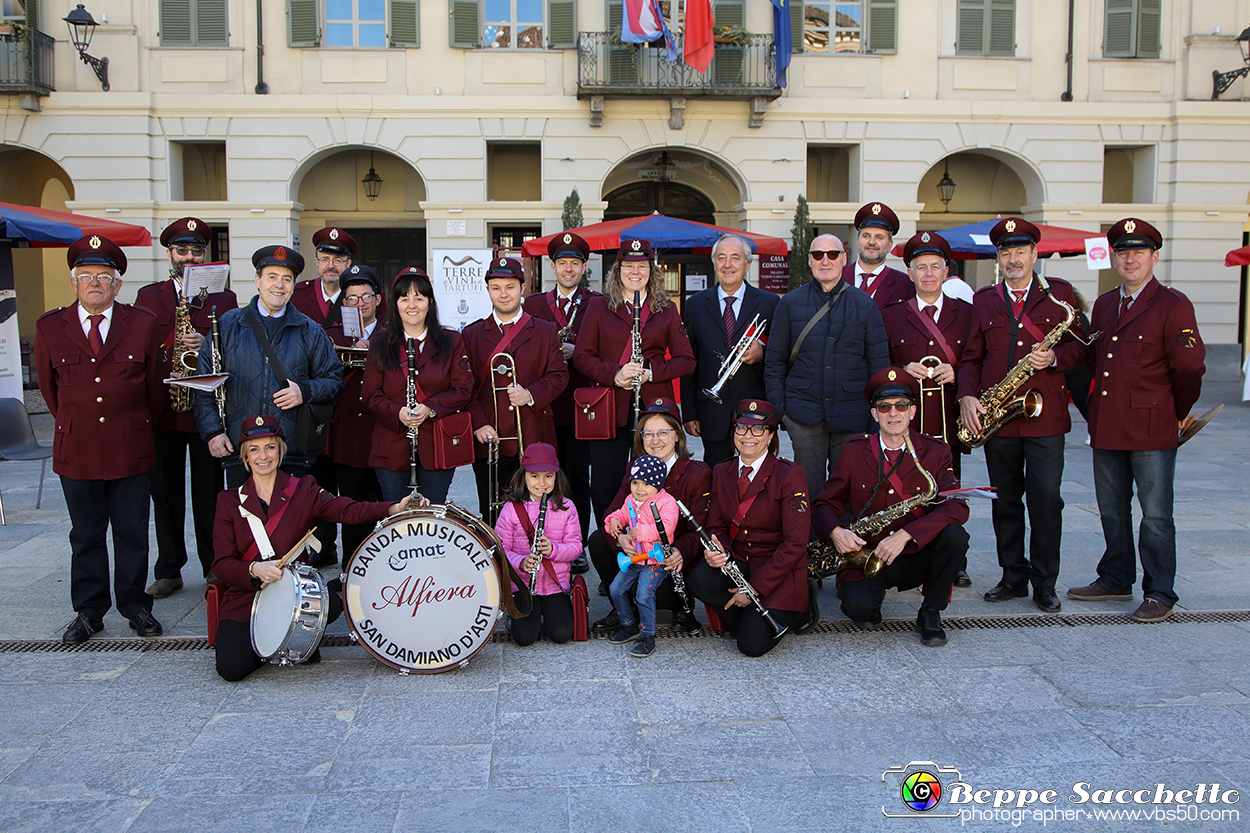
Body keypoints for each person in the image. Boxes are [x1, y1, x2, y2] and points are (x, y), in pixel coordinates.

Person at [1068, 218, 1206, 623]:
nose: (1130, 259)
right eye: (1123, 252)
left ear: (1154, 257)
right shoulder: (1107, 303)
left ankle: (1160, 591)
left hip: (1152, 425)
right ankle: (1116, 576)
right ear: (1114, 257)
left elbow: (1190, 368)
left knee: (1156, 513)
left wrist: (1175, 413)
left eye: (1139, 252)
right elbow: (1096, 362)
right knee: (1111, 509)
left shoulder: (1172, 304)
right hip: (1109, 423)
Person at [211, 416, 416, 681]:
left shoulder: (303, 489)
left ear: (280, 451)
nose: (263, 456)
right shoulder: (228, 501)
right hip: (246, 598)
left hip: (297, 594)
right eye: (254, 449)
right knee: (231, 669)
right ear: (246, 457)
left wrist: (393, 508)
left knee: (330, 602)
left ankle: (314, 616)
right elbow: (221, 564)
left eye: (270, 447)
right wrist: (254, 569)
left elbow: (348, 509)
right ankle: (292, 645)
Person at [35, 235, 165, 643]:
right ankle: (89, 611)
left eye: (104, 277)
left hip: (131, 446)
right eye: (86, 276)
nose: (95, 283)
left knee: (131, 532)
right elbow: (49, 389)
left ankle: (135, 606)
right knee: (86, 535)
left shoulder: (141, 323)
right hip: (78, 449)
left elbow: (156, 391)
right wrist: (82, 421)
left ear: (117, 285)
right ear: (73, 282)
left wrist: (133, 424)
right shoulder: (50, 326)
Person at [957, 218, 1089, 614]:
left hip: (1045, 414)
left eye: (1020, 251)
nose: (1013, 259)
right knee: (1006, 500)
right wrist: (967, 396)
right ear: (998, 258)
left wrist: (1055, 357)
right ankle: (1013, 574)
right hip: (1001, 417)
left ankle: (1044, 582)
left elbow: (1082, 346)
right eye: (1005, 252)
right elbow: (971, 358)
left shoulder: (1060, 294)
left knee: (1047, 499)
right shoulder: (984, 300)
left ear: (1035, 254)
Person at [812, 368, 970, 646]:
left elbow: (957, 506)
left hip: (917, 551)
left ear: (912, 411)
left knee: (955, 537)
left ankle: (931, 611)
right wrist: (836, 531)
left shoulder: (936, 451)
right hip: (869, 553)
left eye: (901, 406)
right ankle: (865, 596)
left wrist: (907, 534)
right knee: (859, 610)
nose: (893, 414)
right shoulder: (854, 451)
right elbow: (825, 502)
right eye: (884, 407)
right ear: (874, 414)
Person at [136, 217, 238, 597]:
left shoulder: (223, 297)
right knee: (164, 491)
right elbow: (141, 346)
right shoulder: (150, 296)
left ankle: (214, 565)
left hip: (205, 405)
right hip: (164, 407)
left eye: (197, 250)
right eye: (183, 250)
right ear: (170, 254)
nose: (190, 257)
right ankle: (169, 569)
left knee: (209, 492)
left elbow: (230, 345)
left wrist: (205, 340)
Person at [194, 245, 344, 490]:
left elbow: (334, 381)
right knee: (244, 524)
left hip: (291, 450)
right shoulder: (227, 325)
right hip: (241, 448)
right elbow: (204, 384)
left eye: (287, 279)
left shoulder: (310, 330)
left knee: (290, 526)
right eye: (272, 277)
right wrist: (212, 432)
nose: (279, 285)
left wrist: (304, 391)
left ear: (294, 285)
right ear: (257, 281)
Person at [573, 238, 696, 529]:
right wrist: (615, 374)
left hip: (653, 408)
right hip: (609, 408)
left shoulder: (666, 310)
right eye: (629, 266)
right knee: (606, 485)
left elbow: (686, 360)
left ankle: (653, 549)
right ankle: (611, 550)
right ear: (618, 270)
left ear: (652, 270)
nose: (635, 272)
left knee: (656, 482)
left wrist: (651, 373)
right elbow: (582, 356)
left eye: (642, 266)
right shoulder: (599, 307)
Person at [763, 233, 889, 502]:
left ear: (844, 259)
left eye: (832, 254)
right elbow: (774, 362)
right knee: (807, 491)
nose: (825, 260)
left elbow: (878, 368)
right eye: (818, 255)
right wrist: (783, 412)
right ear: (809, 261)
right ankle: (809, 544)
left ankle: (844, 544)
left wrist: (873, 417)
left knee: (850, 491)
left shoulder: (865, 306)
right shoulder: (789, 304)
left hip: (852, 415)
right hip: (803, 416)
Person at [880, 231, 975, 588]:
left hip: (949, 421)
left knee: (950, 491)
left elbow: (976, 359)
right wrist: (903, 372)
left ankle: (954, 560)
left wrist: (959, 372)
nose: (929, 274)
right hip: (908, 421)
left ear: (946, 270)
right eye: (921, 267)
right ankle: (909, 554)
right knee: (909, 489)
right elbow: (882, 363)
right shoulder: (892, 315)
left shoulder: (966, 313)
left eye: (936, 267)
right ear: (910, 273)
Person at [688, 400, 818, 657]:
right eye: (742, 428)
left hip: (777, 569)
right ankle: (751, 615)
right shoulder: (722, 470)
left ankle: (803, 606)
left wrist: (754, 588)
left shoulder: (789, 475)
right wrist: (718, 551)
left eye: (758, 429)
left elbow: (795, 544)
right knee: (698, 581)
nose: (748, 436)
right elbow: (716, 524)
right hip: (740, 561)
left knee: (750, 645)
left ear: (770, 436)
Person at [588, 397, 711, 633]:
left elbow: (701, 531)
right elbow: (612, 512)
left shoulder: (697, 474)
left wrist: (679, 552)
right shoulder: (635, 468)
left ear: (677, 435)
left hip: (668, 561)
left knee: (652, 592)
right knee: (598, 540)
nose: (655, 441)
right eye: (647, 434)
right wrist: (621, 538)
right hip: (639, 553)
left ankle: (673, 604)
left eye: (663, 432)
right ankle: (623, 607)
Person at [464, 257, 568, 523]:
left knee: (540, 509)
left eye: (510, 286)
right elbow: (463, 387)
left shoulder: (545, 330)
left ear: (523, 288)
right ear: (488, 290)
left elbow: (559, 375)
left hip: (532, 433)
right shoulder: (472, 334)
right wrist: (478, 424)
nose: (503, 293)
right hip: (490, 437)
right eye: (496, 287)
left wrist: (530, 394)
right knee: (492, 509)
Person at [363, 266, 474, 504]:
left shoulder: (451, 341)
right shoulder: (380, 343)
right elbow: (370, 393)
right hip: (391, 446)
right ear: (396, 305)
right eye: (405, 299)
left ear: (430, 303)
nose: (412, 305)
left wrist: (430, 408)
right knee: (397, 517)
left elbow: (462, 388)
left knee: (432, 516)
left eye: (419, 298)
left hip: (437, 445)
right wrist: (398, 413)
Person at [523, 232, 601, 546]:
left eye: (575, 263)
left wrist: (578, 350)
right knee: (541, 476)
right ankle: (539, 539)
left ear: (583, 268)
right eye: (562, 263)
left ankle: (576, 542)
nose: (568, 268)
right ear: (553, 267)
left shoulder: (597, 303)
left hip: (582, 405)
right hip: (543, 405)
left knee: (578, 477)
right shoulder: (533, 304)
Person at [681, 233, 779, 467]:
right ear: (714, 263)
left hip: (756, 407)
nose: (728, 265)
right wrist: (690, 412)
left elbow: (781, 356)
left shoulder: (770, 302)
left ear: (747, 264)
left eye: (735, 258)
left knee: (758, 472)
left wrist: (762, 353)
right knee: (716, 476)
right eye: (721, 258)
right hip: (711, 410)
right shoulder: (695, 304)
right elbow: (689, 361)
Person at [495, 443, 583, 646]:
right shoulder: (510, 509)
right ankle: (518, 617)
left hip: (555, 584)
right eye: (534, 476)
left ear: (556, 477)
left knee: (561, 634)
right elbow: (502, 550)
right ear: (523, 476)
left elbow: (576, 546)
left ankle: (548, 612)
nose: (542, 483)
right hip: (524, 585)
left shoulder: (567, 507)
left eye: (548, 476)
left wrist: (553, 549)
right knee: (524, 637)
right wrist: (522, 562)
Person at [324, 265, 383, 566]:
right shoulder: (331, 336)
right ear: (343, 303)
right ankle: (350, 570)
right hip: (347, 435)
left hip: (383, 434)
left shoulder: (392, 336)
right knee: (351, 509)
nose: (359, 303)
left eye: (366, 296)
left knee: (386, 508)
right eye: (352, 298)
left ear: (378, 299)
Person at [602, 454, 680, 658]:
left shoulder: (667, 502)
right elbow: (620, 514)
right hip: (635, 559)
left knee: (644, 594)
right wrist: (612, 520)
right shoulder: (631, 500)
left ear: (658, 484)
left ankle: (647, 635)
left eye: (646, 484)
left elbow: (668, 527)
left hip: (655, 561)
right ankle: (629, 625)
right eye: (635, 482)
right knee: (616, 589)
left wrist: (642, 532)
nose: (640, 489)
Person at [842, 202, 916, 310]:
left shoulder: (905, 285)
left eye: (879, 237)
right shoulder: (836, 277)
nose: (872, 242)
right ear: (857, 241)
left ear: (890, 245)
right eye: (866, 236)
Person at [292, 226, 356, 327]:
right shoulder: (298, 296)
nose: (330, 266)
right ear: (316, 262)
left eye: (338, 260)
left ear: (348, 264)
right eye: (324, 260)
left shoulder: (365, 297)